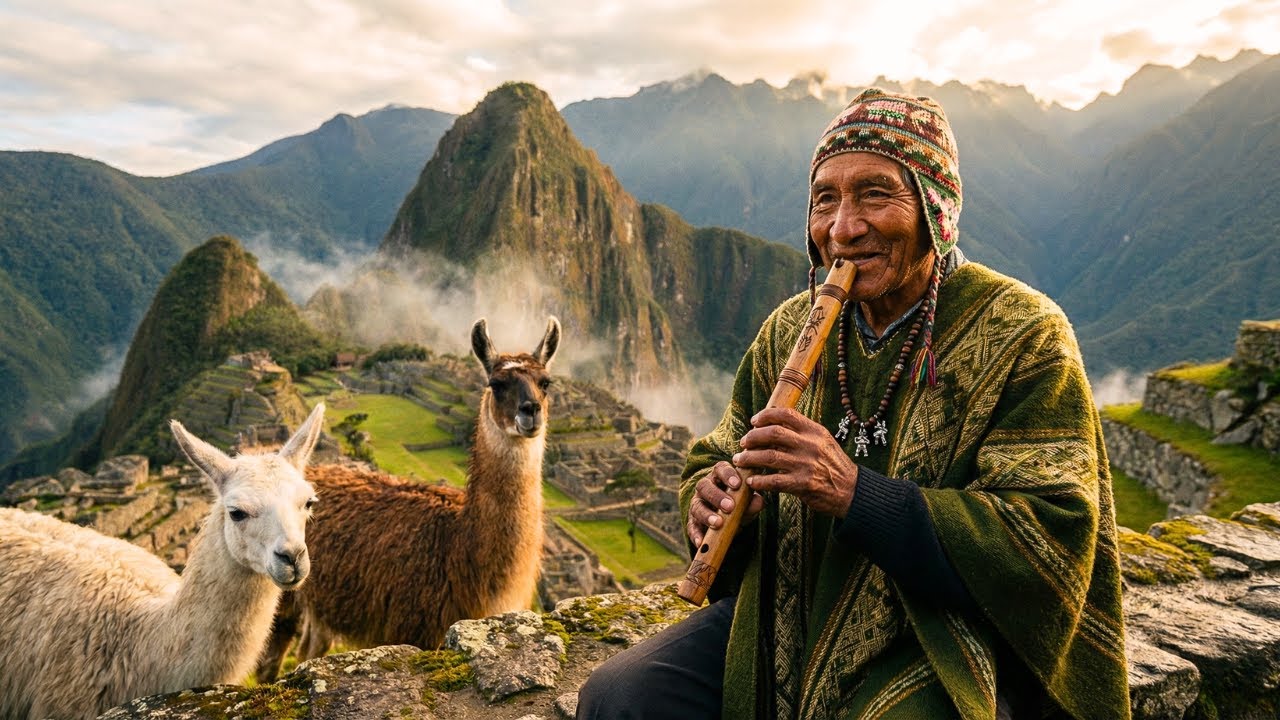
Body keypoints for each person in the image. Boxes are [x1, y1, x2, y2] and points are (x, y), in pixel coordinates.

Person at [576, 88, 1130, 719]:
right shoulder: (790, 330)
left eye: (875, 193)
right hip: (786, 609)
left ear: (935, 209)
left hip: (937, 630)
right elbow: (719, 448)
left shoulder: (1025, 333)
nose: (842, 227)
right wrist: (711, 493)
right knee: (621, 695)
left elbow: (1050, 537)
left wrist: (853, 492)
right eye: (824, 200)